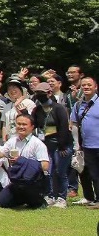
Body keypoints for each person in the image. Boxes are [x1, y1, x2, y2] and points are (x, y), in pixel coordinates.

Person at [0, 114, 50, 209]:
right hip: (16, 180)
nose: (21, 127)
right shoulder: (12, 141)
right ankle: (22, 199)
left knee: (34, 203)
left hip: (32, 181)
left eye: (24, 124)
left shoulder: (37, 144)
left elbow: (45, 165)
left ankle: (39, 200)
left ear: (32, 127)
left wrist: (21, 161)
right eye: (19, 124)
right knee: (1, 202)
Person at [29, 82, 71, 208]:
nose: (39, 95)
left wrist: (62, 145)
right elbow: (33, 125)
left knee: (60, 172)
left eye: (42, 93)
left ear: (49, 93)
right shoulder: (37, 110)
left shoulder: (58, 108)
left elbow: (64, 127)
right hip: (46, 144)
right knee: (49, 171)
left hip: (61, 145)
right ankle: (51, 195)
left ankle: (62, 198)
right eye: (37, 93)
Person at [73, 76, 98, 206]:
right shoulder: (78, 105)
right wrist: (77, 144)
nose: (86, 87)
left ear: (95, 87)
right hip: (87, 146)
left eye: (89, 85)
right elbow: (74, 124)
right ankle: (91, 198)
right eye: (84, 85)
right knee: (91, 173)